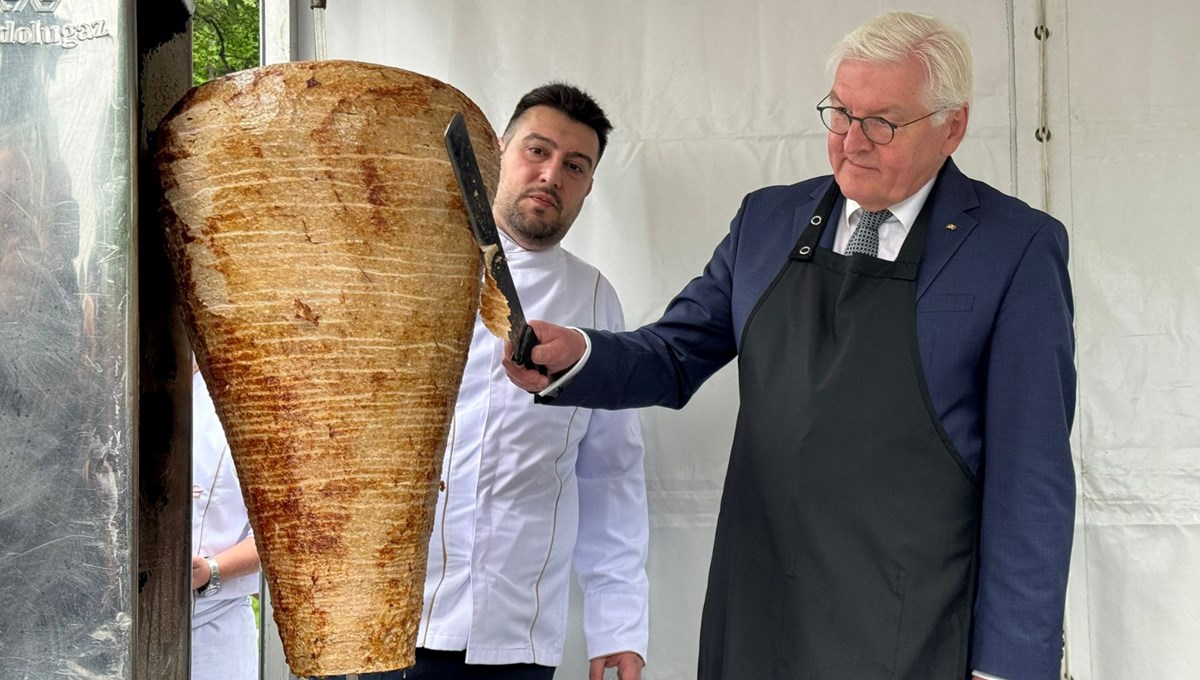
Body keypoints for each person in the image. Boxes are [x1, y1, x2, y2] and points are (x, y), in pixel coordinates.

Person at [504, 13, 1075, 680]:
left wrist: (1009, 667)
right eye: (841, 113)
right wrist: (580, 354)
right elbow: (675, 353)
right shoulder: (768, 220)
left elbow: (1031, 481)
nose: (852, 142)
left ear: (952, 126)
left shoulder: (1012, 247)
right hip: (759, 611)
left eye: (882, 122)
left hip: (910, 627)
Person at [359, 83, 649, 680]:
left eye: (574, 166)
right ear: (496, 151)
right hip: (386, 620)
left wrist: (617, 627)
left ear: (589, 186)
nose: (552, 175)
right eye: (536, 152)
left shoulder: (597, 300)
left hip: (514, 637)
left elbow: (611, 476)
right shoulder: (407, 269)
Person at [191, 363, 262, 680]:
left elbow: (279, 536)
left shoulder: (246, 401)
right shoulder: (111, 389)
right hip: (118, 624)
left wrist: (211, 571)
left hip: (216, 632)